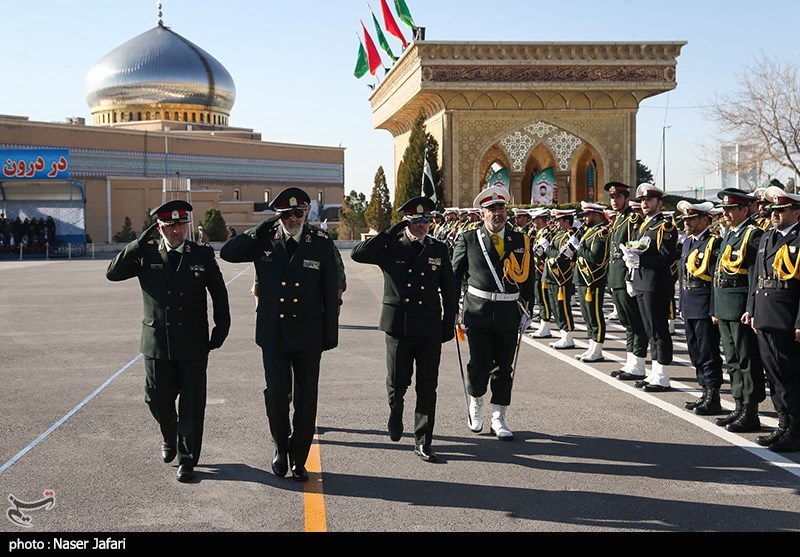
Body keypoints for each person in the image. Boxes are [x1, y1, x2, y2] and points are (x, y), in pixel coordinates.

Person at [106, 200, 230, 483]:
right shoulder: (145, 254)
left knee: (192, 404)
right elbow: (113, 273)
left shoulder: (201, 254)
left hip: (193, 342)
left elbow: (219, 293)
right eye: (170, 225)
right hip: (156, 343)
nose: (177, 230)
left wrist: (221, 327)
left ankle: (187, 460)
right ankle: (169, 434)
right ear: (158, 227)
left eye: (181, 224)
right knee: (156, 399)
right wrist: (138, 243)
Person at [220, 187, 339, 480]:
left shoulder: (320, 243)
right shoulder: (264, 242)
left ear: (307, 211)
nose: (294, 218)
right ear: (278, 216)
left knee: (306, 397)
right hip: (274, 333)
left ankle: (299, 457)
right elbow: (227, 253)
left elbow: (329, 291)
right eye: (286, 214)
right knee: (275, 395)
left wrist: (330, 334)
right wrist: (259, 228)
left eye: (299, 212)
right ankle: (280, 448)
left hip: (309, 333)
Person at [350, 197, 458, 462]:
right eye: (415, 221)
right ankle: (395, 411)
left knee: (427, 386)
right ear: (405, 222)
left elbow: (450, 289)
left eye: (425, 220)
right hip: (399, 326)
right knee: (398, 383)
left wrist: (448, 323)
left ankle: (423, 441)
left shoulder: (439, 249)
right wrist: (389, 232)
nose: (421, 225)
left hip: (429, 326)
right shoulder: (391, 246)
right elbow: (358, 253)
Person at [452, 186, 535, 440]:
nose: (497, 213)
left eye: (501, 208)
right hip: (478, 312)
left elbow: (529, 278)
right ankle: (476, 406)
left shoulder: (520, 239)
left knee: (503, 367)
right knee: (479, 364)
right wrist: (452, 310)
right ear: (482, 213)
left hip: (508, 312)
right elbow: (455, 277)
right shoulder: (468, 239)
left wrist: (528, 310)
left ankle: (499, 417)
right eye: (491, 209)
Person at [748, 185, 800, 452]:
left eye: (781, 210)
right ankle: (782, 423)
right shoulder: (768, 237)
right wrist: (752, 309)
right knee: (774, 374)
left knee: (790, 373)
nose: (775, 214)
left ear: (796, 213)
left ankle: (795, 428)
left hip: (787, 315)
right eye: (773, 210)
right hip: (765, 314)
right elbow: (756, 278)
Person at [712, 189, 766, 433]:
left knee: (747, 359)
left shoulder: (752, 234)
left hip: (739, 302)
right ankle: (738, 404)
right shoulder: (730, 234)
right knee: (732, 359)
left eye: (731, 209)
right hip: (724, 302)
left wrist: (750, 308)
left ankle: (751, 411)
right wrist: (715, 307)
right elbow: (717, 274)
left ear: (745, 210)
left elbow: (756, 274)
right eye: (724, 209)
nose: (726, 213)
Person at [621, 184, 680, 392]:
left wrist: (640, 260)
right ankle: (655, 372)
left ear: (659, 202)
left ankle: (662, 375)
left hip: (656, 283)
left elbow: (667, 257)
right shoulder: (645, 225)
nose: (645, 204)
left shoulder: (665, 227)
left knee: (659, 330)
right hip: (642, 282)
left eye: (649, 200)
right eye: (643, 201)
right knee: (649, 329)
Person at [676, 200, 725, 415]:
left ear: (706, 219)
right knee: (695, 351)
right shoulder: (687, 242)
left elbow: (716, 278)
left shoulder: (713, 243)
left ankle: (713, 396)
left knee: (708, 352)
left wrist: (714, 308)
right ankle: (703, 391)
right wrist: (681, 304)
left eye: (692, 219)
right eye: (685, 219)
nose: (687, 222)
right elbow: (682, 274)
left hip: (705, 302)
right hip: (689, 301)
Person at [604, 182, 648, 380]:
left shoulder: (632, 218)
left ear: (626, 198)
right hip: (615, 276)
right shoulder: (619, 219)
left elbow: (634, 247)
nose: (614, 201)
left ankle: (638, 363)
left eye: (618, 197)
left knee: (635, 322)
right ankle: (630, 362)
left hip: (624, 275)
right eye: (612, 198)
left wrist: (631, 278)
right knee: (626, 321)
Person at [573, 201, 611, 362]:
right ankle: (591, 346)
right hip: (583, 278)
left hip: (593, 279)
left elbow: (597, 258)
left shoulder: (602, 233)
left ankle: (598, 348)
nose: (585, 218)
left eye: (587, 215)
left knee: (595, 314)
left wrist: (579, 248)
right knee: (587, 315)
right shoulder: (589, 231)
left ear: (596, 215)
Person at [543, 209, 579, 349]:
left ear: (566, 221)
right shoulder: (557, 234)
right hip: (552, 275)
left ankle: (568, 335)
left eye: (558, 220)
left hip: (561, 276)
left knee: (562, 307)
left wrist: (546, 248)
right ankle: (563, 333)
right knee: (554, 306)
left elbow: (562, 256)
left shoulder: (570, 235)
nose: (555, 223)